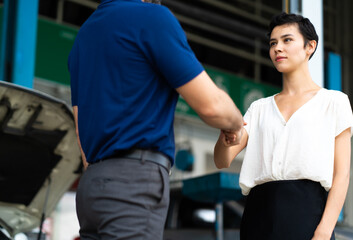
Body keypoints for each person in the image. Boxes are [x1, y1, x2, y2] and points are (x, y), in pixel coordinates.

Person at [68, 0, 244, 239]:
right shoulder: (152, 18)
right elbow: (212, 106)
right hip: (134, 181)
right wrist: (235, 124)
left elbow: (80, 131)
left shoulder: (85, 35)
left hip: (91, 188)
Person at [214, 12, 353, 240]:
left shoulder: (334, 102)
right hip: (257, 217)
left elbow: (342, 175)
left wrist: (324, 231)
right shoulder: (259, 108)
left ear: (310, 46)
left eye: (287, 40)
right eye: (273, 43)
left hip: (308, 213)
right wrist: (225, 137)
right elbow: (222, 160)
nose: (277, 48)